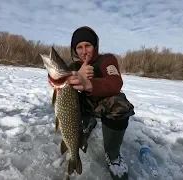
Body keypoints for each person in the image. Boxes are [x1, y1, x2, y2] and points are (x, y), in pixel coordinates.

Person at [49, 26, 135, 180]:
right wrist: (75, 75)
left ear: (95, 46)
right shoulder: (74, 66)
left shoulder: (107, 60)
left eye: (87, 45)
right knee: (69, 100)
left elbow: (115, 83)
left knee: (120, 106)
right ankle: (87, 124)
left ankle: (113, 154)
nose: (83, 51)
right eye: (79, 47)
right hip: (82, 107)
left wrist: (87, 83)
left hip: (103, 104)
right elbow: (56, 81)